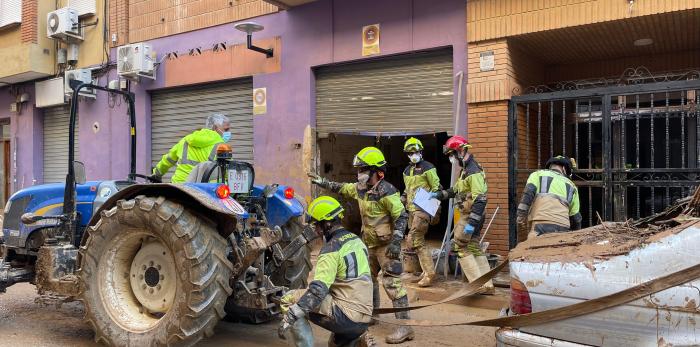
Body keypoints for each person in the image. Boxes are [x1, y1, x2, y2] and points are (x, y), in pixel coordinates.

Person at [309, 147, 414, 344]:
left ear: (377, 172)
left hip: (386, 245)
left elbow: (401, 216)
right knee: (367, 280)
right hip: (368, 243)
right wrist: (323, 182)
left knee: (393, 283)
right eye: (359, 170)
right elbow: (343, 188)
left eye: (363, 170)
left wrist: (397, 241)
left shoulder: (387, 191)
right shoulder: (360, 189)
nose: (359, 174)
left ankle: (406, 326)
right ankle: (371, 315)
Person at [278, 196, 374, 347]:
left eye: (316, 224)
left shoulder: (331, 249)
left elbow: (317, 291)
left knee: (289, 299)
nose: (315, 229)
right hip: (365, 316)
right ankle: (354, 340)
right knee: (334, 344)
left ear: (327, 223)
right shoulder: (357, 240)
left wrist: (291, 316)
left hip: (345, 317)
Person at [430, 135, 494, 294]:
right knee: (473, 246)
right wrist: (441, 194)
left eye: (451, 154)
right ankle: (487, 285)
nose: (451, 158)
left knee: (460, 245)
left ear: (459, 151)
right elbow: (456, 190)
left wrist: (472, 223)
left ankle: (477, 285)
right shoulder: (466, 169)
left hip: (472, 215)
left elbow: (480, 199)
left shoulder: (473, 170)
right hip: (472, 214)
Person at [401, 137, 441, 287]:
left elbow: (436, 188)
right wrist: (402, 198)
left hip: (423, 208)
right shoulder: (406, 170)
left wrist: (433, 209)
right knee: (419, 242)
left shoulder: (428, 167)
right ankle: (425, 271)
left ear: (421, 151)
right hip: (411, 209)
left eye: (416, 151)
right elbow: (407, 188)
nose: (414, 154)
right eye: (410, 152)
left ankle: (430, 274)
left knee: (416, 239)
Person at [150, 113, 231, 183]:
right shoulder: (222, 147)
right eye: (226, 129)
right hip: (205, 189)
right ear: (215, 128)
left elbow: (167, 160)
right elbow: (228, 171)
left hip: (180, 186)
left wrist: (156, 174)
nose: (228, 133)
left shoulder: (186, 140)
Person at [516, 155, 582, 240]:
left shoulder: (537, 175)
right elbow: (576, 217)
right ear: (564, 169)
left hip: (540, 225)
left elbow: (527, 196)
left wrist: (521, 217)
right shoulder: (572, 186)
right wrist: (577, 234)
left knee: (535, 250)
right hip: (563, 227)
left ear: (550, 166)